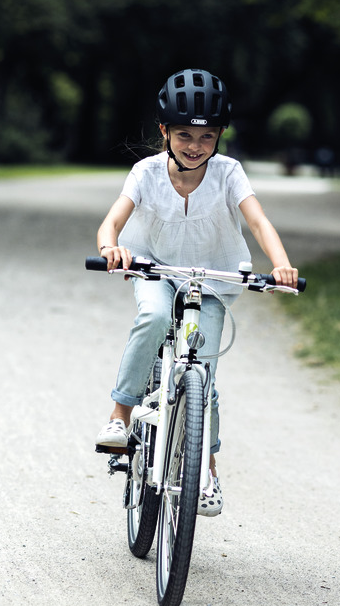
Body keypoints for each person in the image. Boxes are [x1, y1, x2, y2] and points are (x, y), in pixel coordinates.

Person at [94, 68, 299, 516]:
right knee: (151, 319)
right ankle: (120, 415)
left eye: (207, 137)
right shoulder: (145, 173)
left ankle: (205, 469)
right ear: (164, 131)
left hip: (213, 280)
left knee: (201, 374)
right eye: (184, 134)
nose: (195, 146)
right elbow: (111, 222)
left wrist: (280, 264)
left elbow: (259, 221)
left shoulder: (229, 174)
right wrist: (111, 248)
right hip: (155, 268)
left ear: (221, 136)